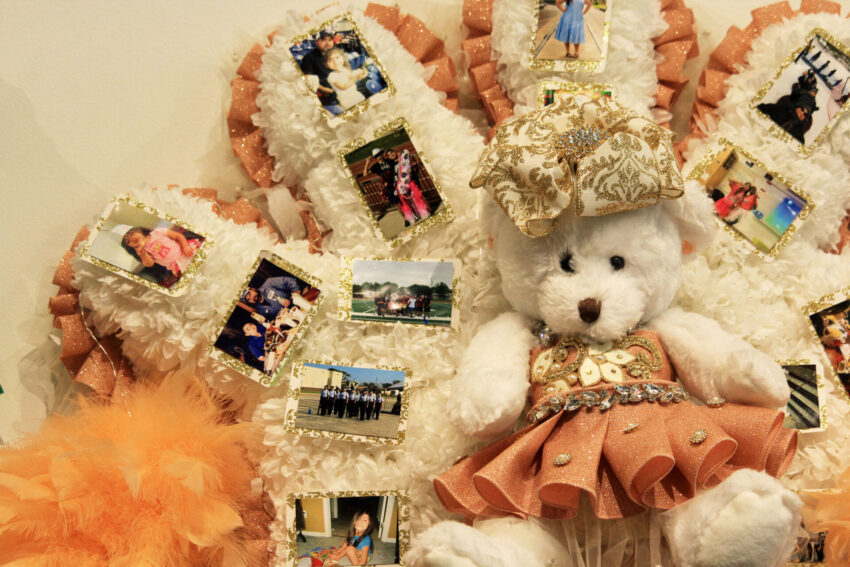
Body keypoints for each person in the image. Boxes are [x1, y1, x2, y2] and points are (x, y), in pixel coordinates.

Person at [121, 226, 199, 278]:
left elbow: (178, 236)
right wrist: (143, 254)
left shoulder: (157, 232)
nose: (132, 238)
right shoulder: (142, 251)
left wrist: (185, 246)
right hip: (176, 264)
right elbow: (150, 264)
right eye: (128, 241)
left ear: (139, 230)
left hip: (184, 251)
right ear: (130, 247)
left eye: (131, 234)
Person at [298, 30, 344, 115]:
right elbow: (306, 79)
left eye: (330, 40)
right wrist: (322, 89)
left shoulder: (334, 53)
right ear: (316, 42)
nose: (327, 43)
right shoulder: (309, 57)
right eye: (323, 40)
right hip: (327, 98)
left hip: (341, 90)